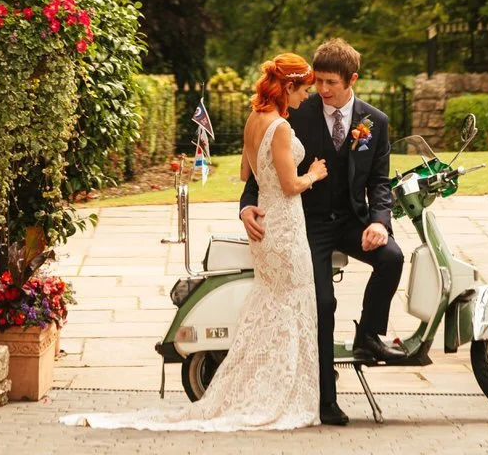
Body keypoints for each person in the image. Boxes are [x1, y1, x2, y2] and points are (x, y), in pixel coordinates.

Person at [61, 52, 327, 432]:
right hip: (284, 226)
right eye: (303, 90)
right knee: (293, 305)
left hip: (266, 223)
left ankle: (257, 387)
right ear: (288, 86)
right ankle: (280, 393)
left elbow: (243, 170)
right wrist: (313, 173)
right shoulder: (280, 128)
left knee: (271, 307)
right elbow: (289, 185)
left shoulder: (255, 120)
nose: (305, 97)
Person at [240, 37, 406, 427]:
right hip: (307, 224)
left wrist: (379, 222)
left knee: (392, 258)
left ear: (353, 80)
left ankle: (369, 333)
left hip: (351, 220)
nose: (322, 89)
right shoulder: (294, 113)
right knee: (323, 304)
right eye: (318, 81)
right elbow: (261, 164)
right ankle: (325, 400)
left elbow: (380, 181)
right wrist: (246, 205)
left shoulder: (374, 122)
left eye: (331, 82)